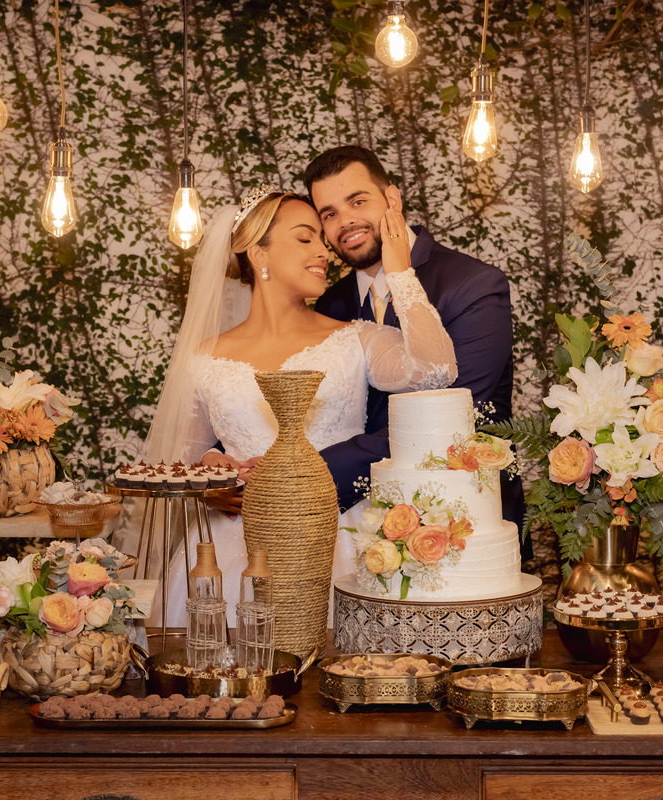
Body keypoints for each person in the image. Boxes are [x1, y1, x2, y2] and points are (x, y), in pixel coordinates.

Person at [140, 185, 457, 625]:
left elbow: (436, 369)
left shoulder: (356, 339)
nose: (323, 252)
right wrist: (215, 473)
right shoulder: (204, 357)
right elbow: (183, 459)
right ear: (259, 254)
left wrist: (400, 271)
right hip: (233, 547)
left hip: (338, 539)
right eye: (305, 238)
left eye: (322, 241)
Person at [306, 145, 524, 532]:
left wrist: (311, 471)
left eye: (358, 201)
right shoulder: (329, 304)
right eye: (330, 213)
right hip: (355, 527)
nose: (346, 221)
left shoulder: (472, 285)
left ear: (392, 198)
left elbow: (456, 414)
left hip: (464, 519)